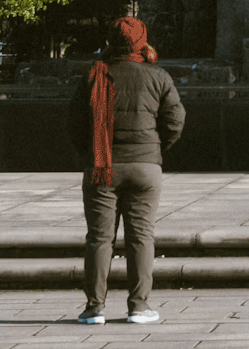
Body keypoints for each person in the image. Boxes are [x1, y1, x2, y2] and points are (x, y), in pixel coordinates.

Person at [66, 17, 185, 326]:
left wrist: (91, 154)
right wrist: (155, 152)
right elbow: (175, 120)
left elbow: (75, 123)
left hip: (102, 166)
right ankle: (139, 307)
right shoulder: (158, 76)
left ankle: (94, 308)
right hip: (145, 167)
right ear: (142, 41)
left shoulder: (94, 74)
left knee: (99, 238)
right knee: (142, 237)